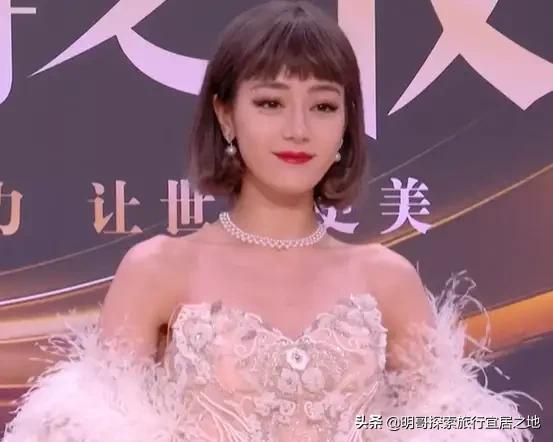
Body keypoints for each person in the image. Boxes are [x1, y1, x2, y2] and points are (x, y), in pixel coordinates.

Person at [2, 1, 542, 441]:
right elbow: (86, 431)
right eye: (270, 103)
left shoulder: (386, 278)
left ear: (347, 123)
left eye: (323, 106)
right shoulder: (158, 270)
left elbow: (442, 426)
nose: (298, 129)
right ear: (225, 115)